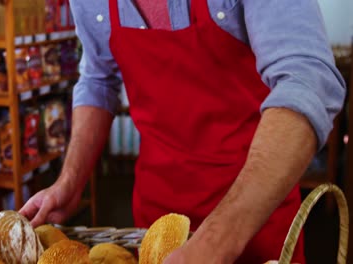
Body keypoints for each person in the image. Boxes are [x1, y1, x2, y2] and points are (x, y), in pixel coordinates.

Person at [20, 0, 346, 263]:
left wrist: (217, 240)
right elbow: (98, 79)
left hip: (256, 217)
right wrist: (70, 181)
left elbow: (308, 79)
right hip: (156, 218)